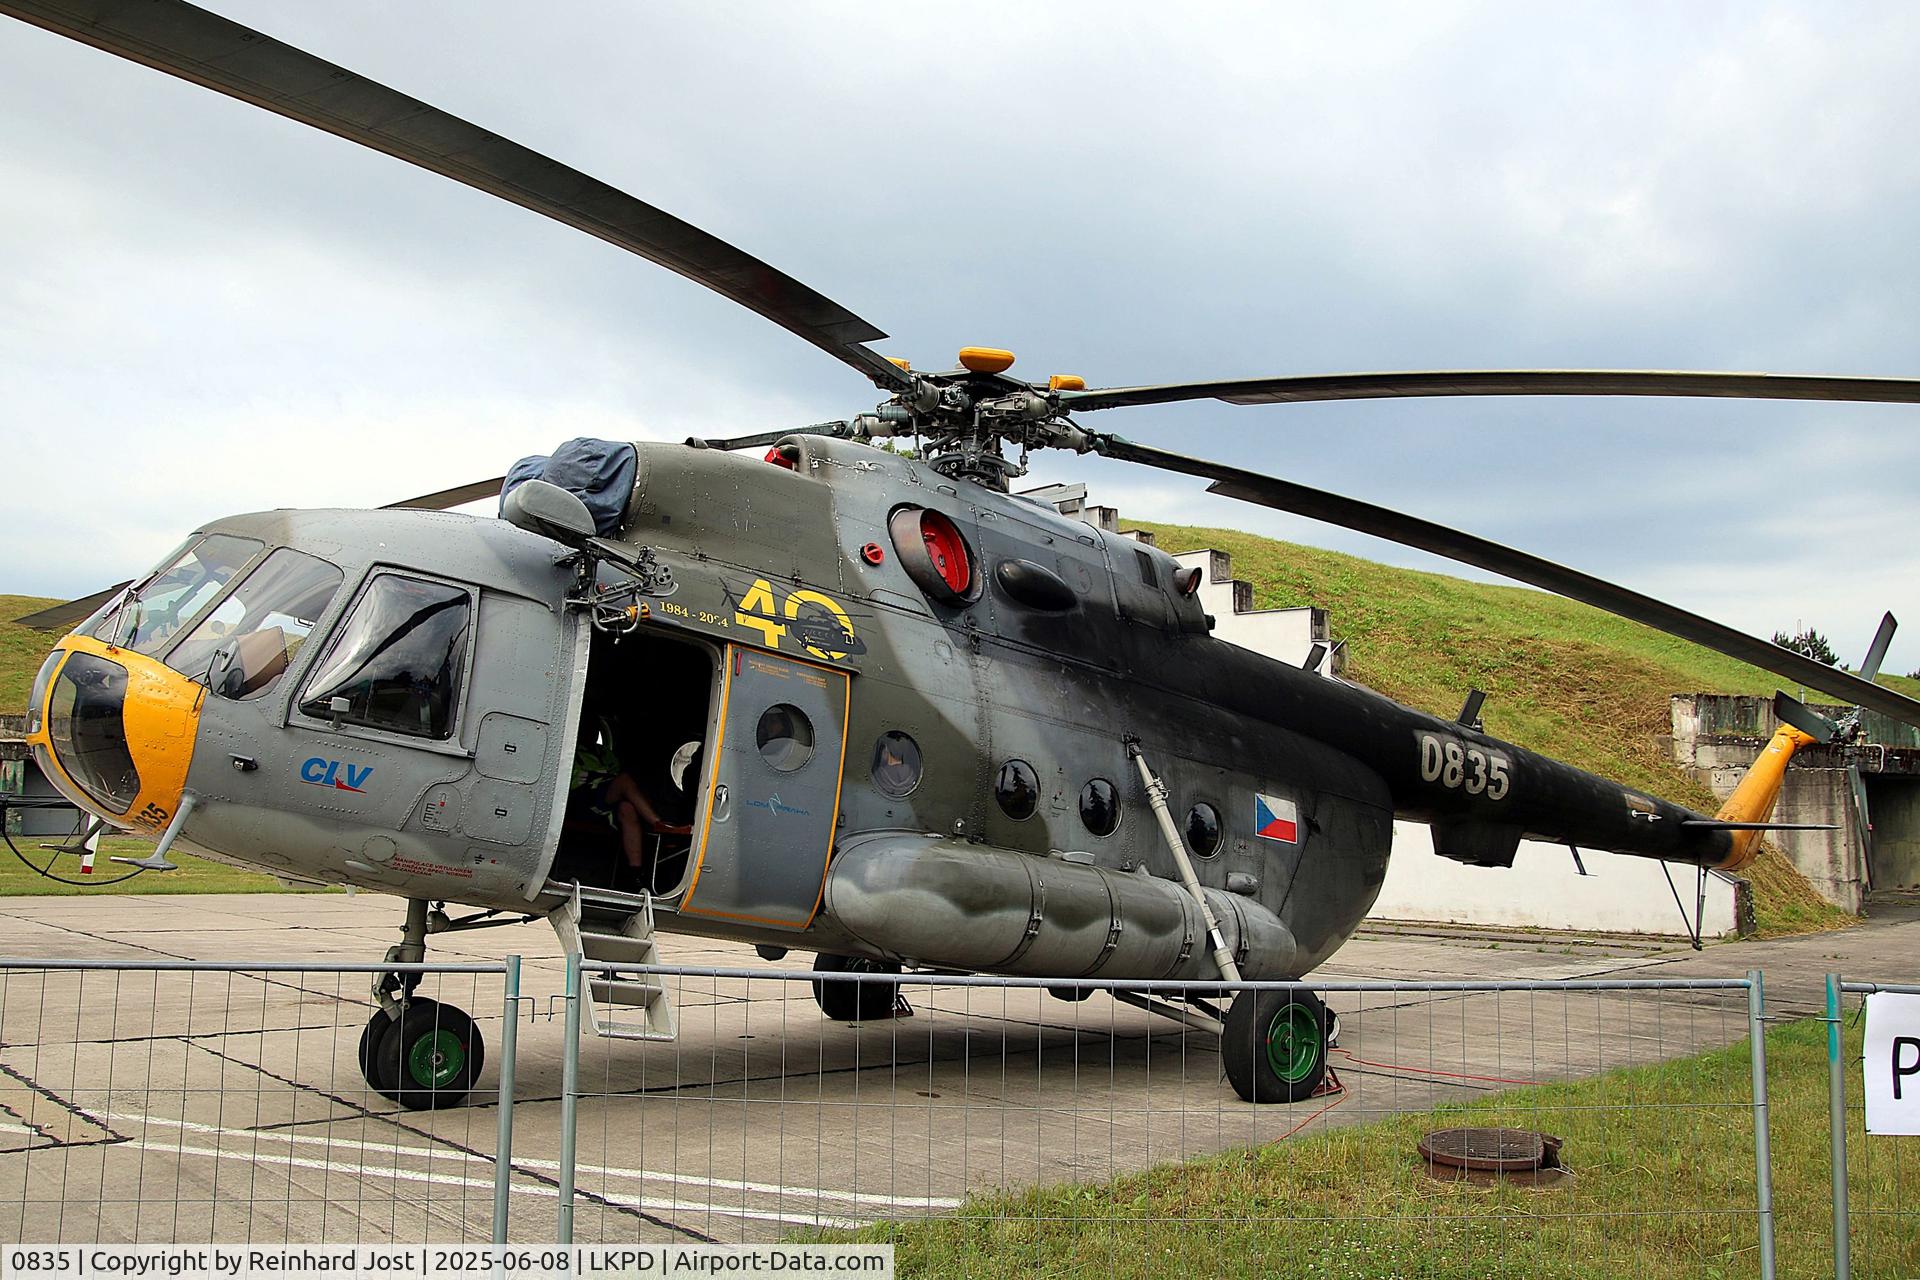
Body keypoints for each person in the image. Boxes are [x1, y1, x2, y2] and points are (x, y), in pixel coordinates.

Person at [571, 720, 691, 891]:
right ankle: (660, 824)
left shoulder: (605, 753)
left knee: (627, 808)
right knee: (624, 781)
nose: (590, 731)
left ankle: (634, 874)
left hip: (606, 797)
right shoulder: (572, 751)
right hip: (584, 796)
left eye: (593, 728)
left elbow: (614, 771)